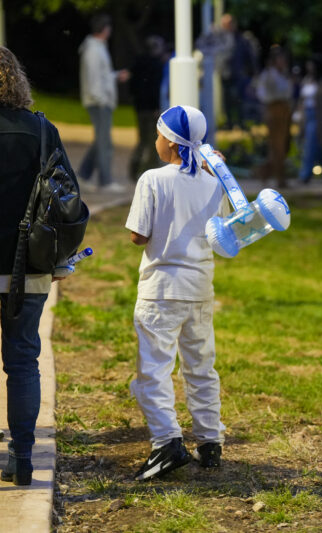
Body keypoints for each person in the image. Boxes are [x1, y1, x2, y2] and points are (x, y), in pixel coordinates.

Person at [125, 105, 226, 481]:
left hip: (161, 289)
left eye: (157, 134)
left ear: (168, 141)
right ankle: (210, 441)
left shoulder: (152, 179)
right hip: (200, 286)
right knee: (200, 366)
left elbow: (138, 235)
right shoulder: (215, 180)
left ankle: (167, 443)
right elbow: (223, 233)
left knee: (154, 370)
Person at [0, 47, 79, 486]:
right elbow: (67, 200)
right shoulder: (42, 131)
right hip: (26, 265)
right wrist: (61, 260)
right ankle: (23, 458)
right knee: (23, 361)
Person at [78, 13, 129, 192]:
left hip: (100, 100)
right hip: (98, 102)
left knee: (100, 141)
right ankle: (105, 182)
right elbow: (93, 79)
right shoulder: (93, 49)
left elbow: (101, 76)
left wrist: (115, 76)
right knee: (105, 143)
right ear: (104, 29)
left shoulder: (97, 47)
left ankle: (83, 175)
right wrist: (101, 99)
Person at [128, 35, 166, 181]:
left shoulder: (138, 62)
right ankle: (149, 171)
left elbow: (133, 85)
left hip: (139, 106)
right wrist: (156, 106)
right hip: (151, 108)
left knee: (142, 140)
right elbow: (155, 88)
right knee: (152, 141)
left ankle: (134, 168)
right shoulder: (156, 65)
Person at [255, 46, 292, 187]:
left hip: (284, 108)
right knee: (277, 146)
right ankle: (279, 177)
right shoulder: (269, 75)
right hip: (274, 109)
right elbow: (263, 93)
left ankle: (264, 171)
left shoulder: (283, 74)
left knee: (284, 145)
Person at [297, 55, 322, 184]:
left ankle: (305, 175)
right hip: (307, 115)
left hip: (318, 116)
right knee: (318, 147)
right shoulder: (307, 80)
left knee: (310, 145)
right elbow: (302, 99)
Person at [217, 13, 256, 130]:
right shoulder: (220, 40)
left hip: (238, 74)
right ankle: (229, 123)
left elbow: (248, 56)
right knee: (227, 100)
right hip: (225, 74)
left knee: (239, 100)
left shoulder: (241, 39)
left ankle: (240, 123)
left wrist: (251, 72)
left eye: (227, 24)